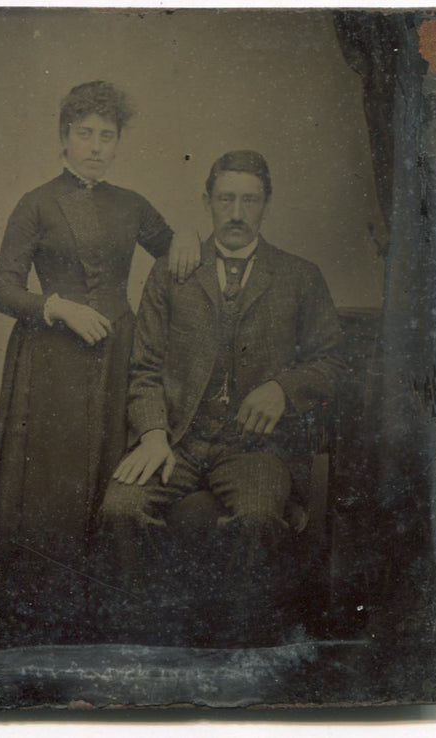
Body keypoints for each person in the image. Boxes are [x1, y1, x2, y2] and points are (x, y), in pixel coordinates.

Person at [0, 81, 200, 645]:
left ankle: (97, 611)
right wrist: (58, 307)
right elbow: (2, 289)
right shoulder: (37, 202)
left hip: (116, 360)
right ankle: (36, 609)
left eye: (106, 135)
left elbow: (174, 249)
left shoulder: (131, 204)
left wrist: (191, 233)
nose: (95, 146)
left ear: (117, 141)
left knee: (104, 475)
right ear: (63, 139)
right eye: (83, 134)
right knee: (48, 481)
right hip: (50, 362)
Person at [97, 150, 344, 647]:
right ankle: (145, 640)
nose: (236, 212)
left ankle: (238, 646)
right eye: (226, 198)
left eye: (249, 200)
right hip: (180, 441)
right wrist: (151, 433)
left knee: (256, 518)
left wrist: (284, 388)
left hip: (255, 446)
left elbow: (334, 363)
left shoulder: (299, 276)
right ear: (207, 201)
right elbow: (143, 366)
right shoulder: (174, 272)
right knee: (120, 509)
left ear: (266, 205)